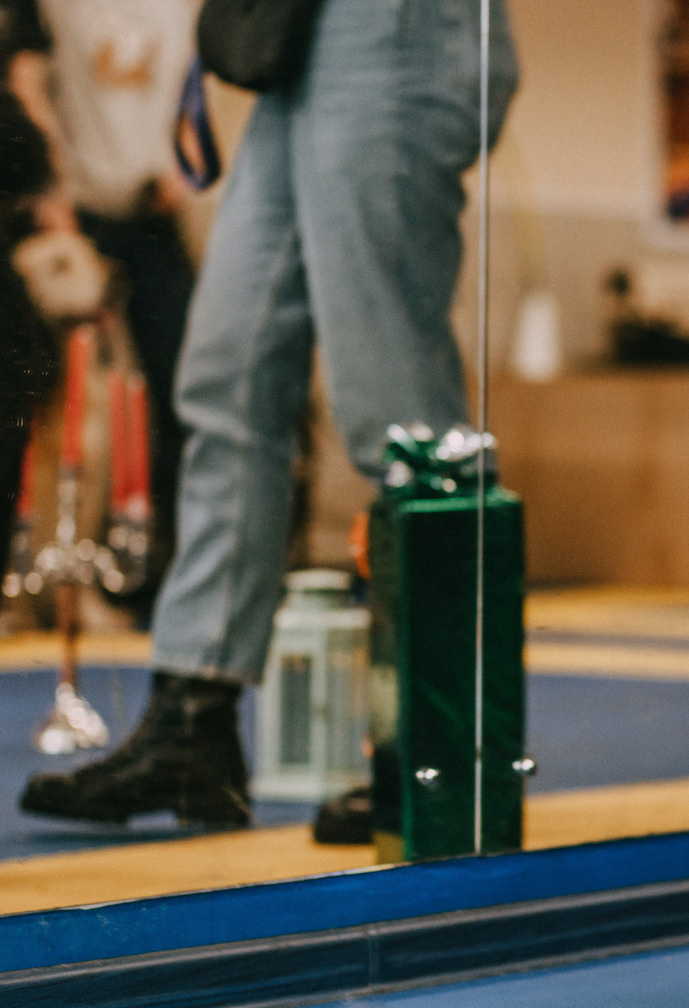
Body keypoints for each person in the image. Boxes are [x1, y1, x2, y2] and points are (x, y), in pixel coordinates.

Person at [19, 0, 518, 829]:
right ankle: (194, 722)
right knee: (228, 378)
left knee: (397, 409)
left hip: (391, 30)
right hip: (302, 42)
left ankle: (446, 749)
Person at [15, 0, 200, 616]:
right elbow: (33, 81)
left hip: (153, 210)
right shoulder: (59, 9)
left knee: (181, 391)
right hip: (79, 213)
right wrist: (50, 184)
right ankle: (50, 575)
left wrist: (183, 160)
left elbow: (191, 81)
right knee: (62, 411)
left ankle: (158, 576)